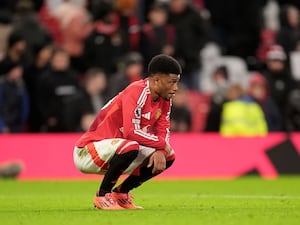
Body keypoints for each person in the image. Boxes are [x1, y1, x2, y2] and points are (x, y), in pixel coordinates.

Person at [73, 54, 181, 210]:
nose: (175, 88)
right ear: (156, 80)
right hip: (89, 150)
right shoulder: (136, 91)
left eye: (177, 83)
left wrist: (161, 149)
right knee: (131, 145)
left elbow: (162, 128)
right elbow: (131, 132)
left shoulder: (165, 99)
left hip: (117, 150)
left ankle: (121, 194)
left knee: (169, 155)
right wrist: (161, 145)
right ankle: (102, 195)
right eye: (172, 82)